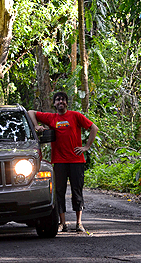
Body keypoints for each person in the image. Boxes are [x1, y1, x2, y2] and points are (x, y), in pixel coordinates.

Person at [28, 91, 98, 234]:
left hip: (76, 160)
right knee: (59, 191)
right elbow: (30, 112)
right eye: (58, 99)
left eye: (63, 99)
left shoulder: (75, 115)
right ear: (54, 103)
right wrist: (36, 126)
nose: (61, 101)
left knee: (77, 191)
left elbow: (94, 128)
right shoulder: (51, 118)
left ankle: (79, 223)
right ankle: (62, 223)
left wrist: (86, 147)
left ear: (66, 103)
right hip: (59, 161)